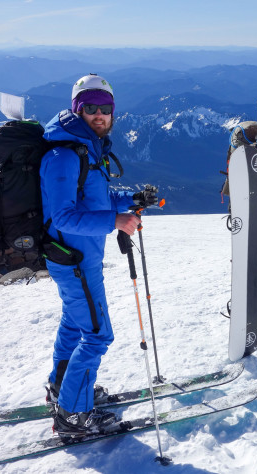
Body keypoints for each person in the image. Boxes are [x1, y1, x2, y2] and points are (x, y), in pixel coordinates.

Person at [40, 73, 158, 437]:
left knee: (76, 325)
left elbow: (94, 200)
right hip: (73, 260)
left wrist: (130, 201)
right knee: (97, 334)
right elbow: (63, 216)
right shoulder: (63, 155)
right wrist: (117, 221)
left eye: (105, 108)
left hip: (79, 258)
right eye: (89, 107)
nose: (99, 115)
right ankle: (73, 415)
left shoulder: (86, 148)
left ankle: (63, 390)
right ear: (77, 109)